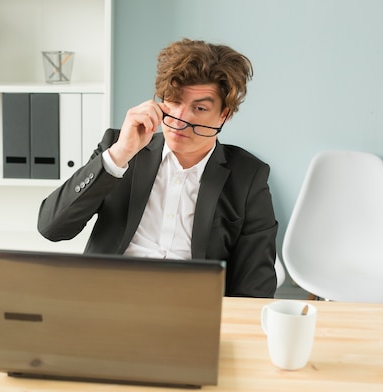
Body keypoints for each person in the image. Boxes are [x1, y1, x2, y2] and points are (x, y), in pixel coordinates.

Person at [37, 38, 278, 297]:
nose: (181, 119)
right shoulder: (119, 149)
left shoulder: (248, 176)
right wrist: (119, 155)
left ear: (224, 115)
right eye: (174, 101)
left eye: (199, 108)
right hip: (108, 298)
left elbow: (255, 287)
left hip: (190, 309)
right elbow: (51, 228)